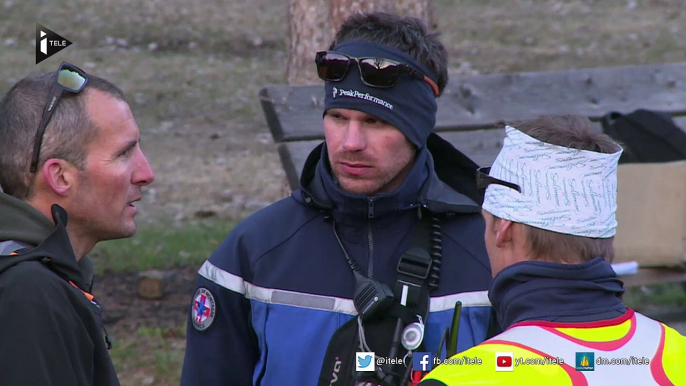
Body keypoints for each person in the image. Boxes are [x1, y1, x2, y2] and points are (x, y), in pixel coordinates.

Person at [182, 12, 497, 386]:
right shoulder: (251, 255)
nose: (350, 143)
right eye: (337, 117)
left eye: (375, 122)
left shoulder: (494, 251)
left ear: (418, 129)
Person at [420, 115, 686, 386]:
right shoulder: (677, 354)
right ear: (608, 235)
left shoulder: (465, 377)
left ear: (503, 229)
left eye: (487, 223)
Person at [0, 62, 155, 385]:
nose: (146, 173)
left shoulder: (44, 277)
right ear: (60, 177)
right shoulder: (27, 294)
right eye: (124, 154)